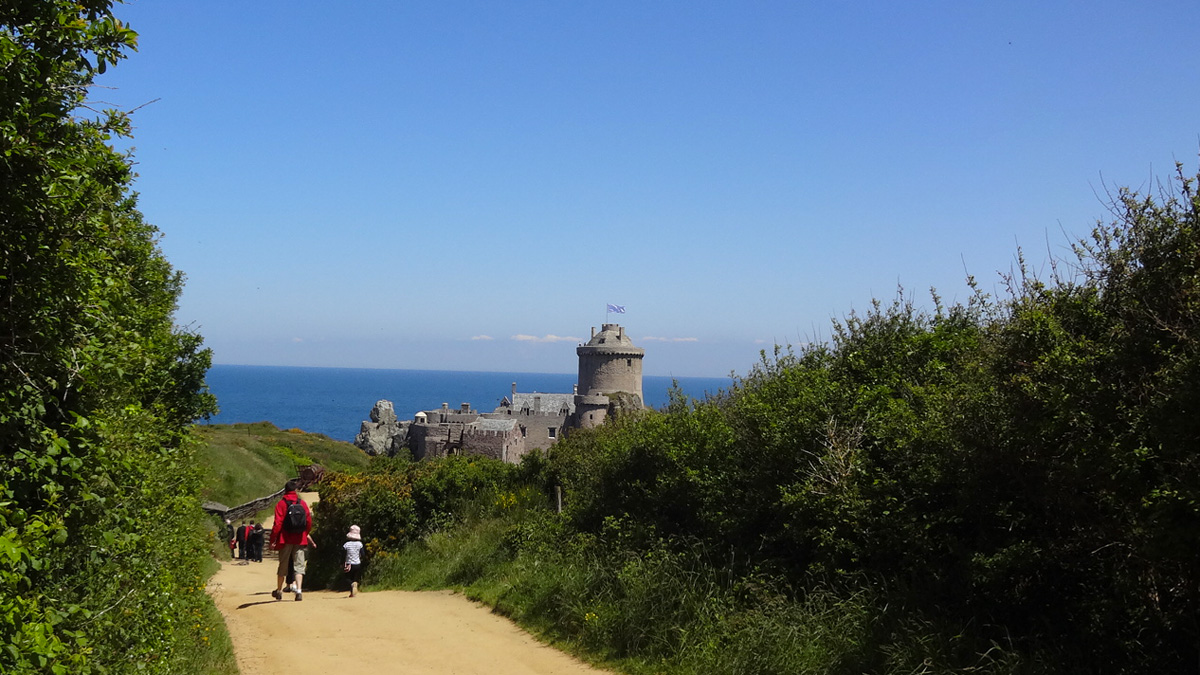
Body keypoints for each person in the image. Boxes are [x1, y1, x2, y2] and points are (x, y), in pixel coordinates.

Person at [270, 479, 312, 601]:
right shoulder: (302, 503)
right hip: (299, 539)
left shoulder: (281, 504)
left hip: (285, 538)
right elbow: (308, 521)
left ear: (285, 490)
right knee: (299, 566)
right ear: (296, 490)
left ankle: (279, 590)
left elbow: (277, 524)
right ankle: (298, 590)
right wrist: (305, 533)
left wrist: (273, 539)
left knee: (283, 565)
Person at [343, 525, 366, 597]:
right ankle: (352, 593)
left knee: (347, 578)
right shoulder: (360, 544)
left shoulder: (346, 544)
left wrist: (341, 563)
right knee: (354, 578)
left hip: (349, 564)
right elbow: (363, 554)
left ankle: (352, 585)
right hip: (357, 564)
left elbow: (343, 555)